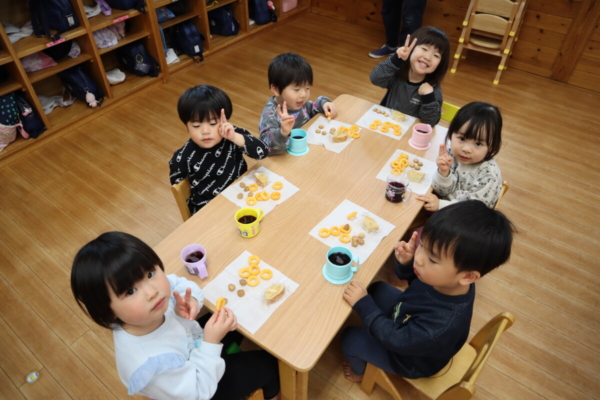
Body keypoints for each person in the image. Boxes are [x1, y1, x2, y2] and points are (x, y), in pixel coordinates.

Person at [71, 231, 281, 400]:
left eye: (150, 274)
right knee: (269, 364)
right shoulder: (149, 364)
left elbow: (178, 283)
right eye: (130, 291)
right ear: (107, 312)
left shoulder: (150, 301)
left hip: (195, 345)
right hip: (201, 388)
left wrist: (193, 301)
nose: (152, 291)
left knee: (237, 317)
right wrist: (211, 342)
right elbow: (198, 392)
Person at [340, 200, 515, 381]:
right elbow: (416, 282)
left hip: (408, 359)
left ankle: (359, 373)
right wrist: (406, 264)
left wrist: (366, 308)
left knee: (350, 338)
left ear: (469, 276)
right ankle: (375, 323)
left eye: (432, 259)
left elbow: (397, 339)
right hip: (409, 318)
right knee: (377, 289)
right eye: (422, 245)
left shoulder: (440, 326)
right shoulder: (450, 280)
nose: (419, 258)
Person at [169, 85, 269, 215]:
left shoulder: (233, 135)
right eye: (196, 125)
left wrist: (235, 137)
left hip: (242, 194)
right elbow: (179, 188)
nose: (205, 131)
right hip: (211, 209)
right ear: (186, 126)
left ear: (225, 120)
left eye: (212, 124)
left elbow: (263, 152)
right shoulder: (183, 156)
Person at [417, 101, 504, 211]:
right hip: (444, 207)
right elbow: (442, 191)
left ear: (491, 147)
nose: (466, 149)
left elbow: (474, 210)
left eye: (478, 144)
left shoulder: (488, 175)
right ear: (451, 134)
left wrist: (440, 205)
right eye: (462, 139)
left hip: (465, 217)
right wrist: (444, 173)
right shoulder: (451, 154)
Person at [259, 52, 338, 155]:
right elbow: (266, 147)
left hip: (307, 151)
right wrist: (283, 133)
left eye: (307, 88)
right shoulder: (270, 115)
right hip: (286, 159)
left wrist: (325, 103)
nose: (303, 94)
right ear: (276, 89)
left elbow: (314, 107)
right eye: (296, 89)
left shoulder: (300, 103)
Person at [370, 26, 450, 126]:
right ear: (411, 49)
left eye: (436, 55)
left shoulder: (433, 89)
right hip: (385, 125)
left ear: (440, 64)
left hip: (411, 132)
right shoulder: (396, 74)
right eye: (424, 49)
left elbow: (431, 121)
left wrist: (428, 97)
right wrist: (396, 60)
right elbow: (375, 78)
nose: (428, 57)